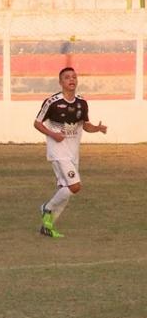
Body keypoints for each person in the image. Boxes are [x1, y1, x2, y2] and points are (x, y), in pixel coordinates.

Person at [34, 67, 107, 238]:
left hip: (73, 153)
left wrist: (97, 128)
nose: (71, 80)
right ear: (61, 82)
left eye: (74, 77)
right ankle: (47, 208)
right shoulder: (52, 102)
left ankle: (47, 226)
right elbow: (37, 123)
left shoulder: (82, 103)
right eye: (67, 77)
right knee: (75, 186)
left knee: (65, 190)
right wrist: (53, 134)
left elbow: (86, 125)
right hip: (58, 151)